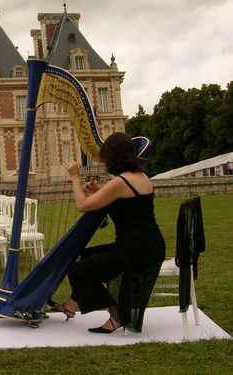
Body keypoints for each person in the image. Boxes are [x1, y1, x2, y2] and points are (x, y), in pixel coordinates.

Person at [53, 132, 165, 334]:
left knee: (78, 271)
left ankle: (116, 316)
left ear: (113, 158)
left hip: (136, 249)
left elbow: (83, 205)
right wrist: (99, 191)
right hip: (149, 244)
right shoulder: (142, 177)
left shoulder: (121, 181)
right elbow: (127, 205)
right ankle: (71, 305)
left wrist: (75, 177)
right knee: (87, 256)